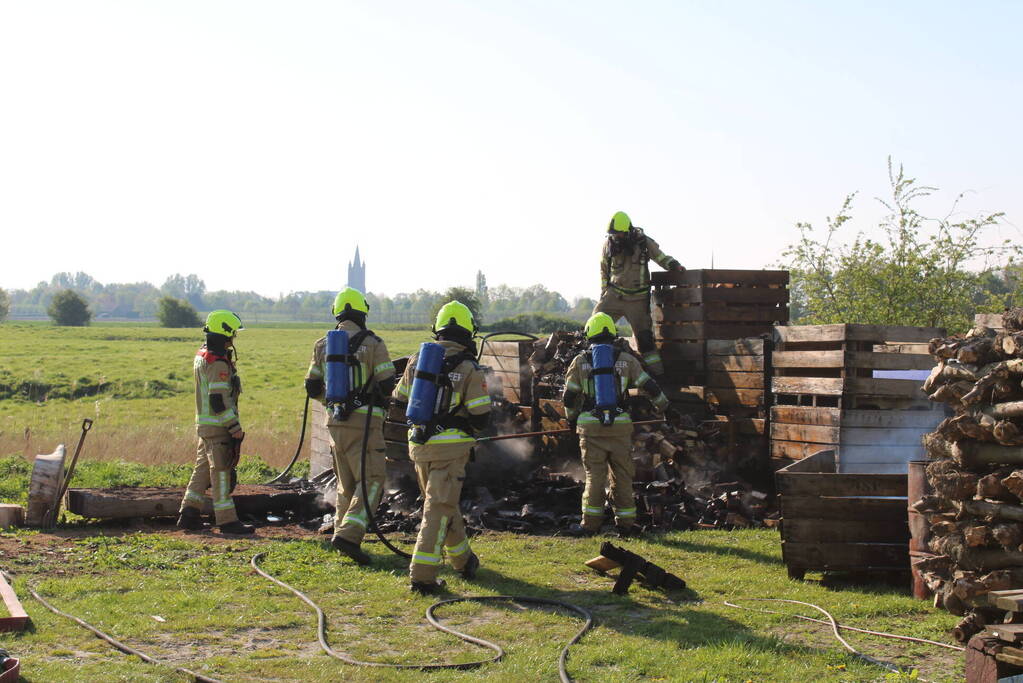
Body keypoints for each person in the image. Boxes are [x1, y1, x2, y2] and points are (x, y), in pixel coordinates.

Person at [392, 301, 491, 594]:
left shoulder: (417, 360)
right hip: (450, 450)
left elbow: (399, 401)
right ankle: (422, 576)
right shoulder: (469, 368)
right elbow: (481, 415)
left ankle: (463, 560)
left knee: (441, 502)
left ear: (438, 330)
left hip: (419, 446)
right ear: (468, 332)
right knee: (438, 507)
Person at [304, 288, 396, 565]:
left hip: (334, 423)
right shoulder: (374, 343)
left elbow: (312, 386)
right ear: (362, 313)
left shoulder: (322, 345)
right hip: (365, 425)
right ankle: (350, 534)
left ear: (337, 313)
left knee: (346, 483)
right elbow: (386, 382)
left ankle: (341, 533)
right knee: (372, 481)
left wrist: (335, 403)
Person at [562, 312, 669, 536]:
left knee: (594, 476)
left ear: (589, 334)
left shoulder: (580, 361)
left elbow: (569, 397)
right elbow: (650, 387)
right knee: (622, 475)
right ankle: (627, 524)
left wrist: (572, 419)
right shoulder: (626, 360)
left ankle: (590, 525)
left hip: (591, 429)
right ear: (613, 334)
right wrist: (664, 407)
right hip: (620, 427)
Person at [177, 310, 253, 535]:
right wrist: (234, 427)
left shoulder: (202, 355)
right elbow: (218, 401)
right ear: (225, 333)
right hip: (219, 427)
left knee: (201, 471)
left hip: (205, 426)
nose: (234, 339)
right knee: (221, 473)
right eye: (233, 334)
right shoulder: (218, 364)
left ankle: (188, 514)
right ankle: (227, 521)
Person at [593, 210, 683, 377]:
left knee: (646, 342)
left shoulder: (643, 242)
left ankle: (658, 377)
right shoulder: (609, 244)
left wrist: (674, 265)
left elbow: (661, 257)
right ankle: (593, 370)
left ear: (627, 231)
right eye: (612, 234)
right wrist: (604, 294)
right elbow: (603, 270)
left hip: (637, 300)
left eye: (618, 234)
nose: (615, 237)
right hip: (614, 296)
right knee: (594, 328)